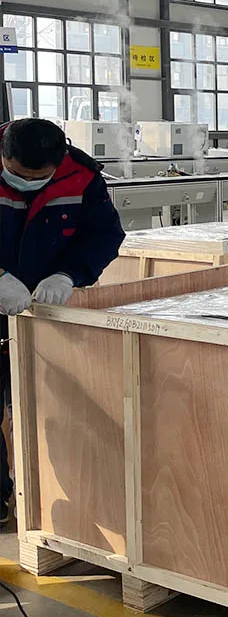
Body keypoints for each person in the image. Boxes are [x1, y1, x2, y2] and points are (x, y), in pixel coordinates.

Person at [0, 118, 125, 526]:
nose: (25, 183)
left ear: (59, 161)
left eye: (36, 177)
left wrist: (68, 275)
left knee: (48, 406)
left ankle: (46, 500)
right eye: (16, 174)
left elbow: (104, 235)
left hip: (45, 310)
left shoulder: (81, 177)